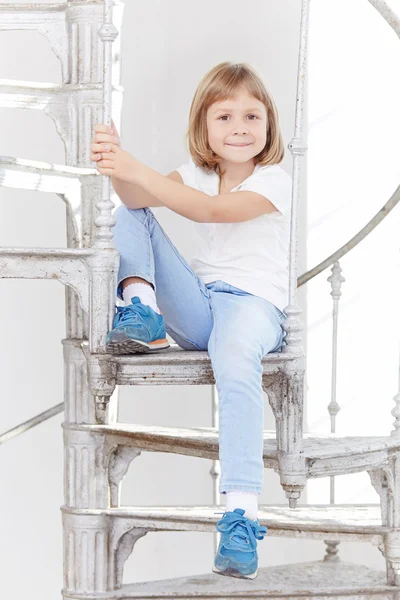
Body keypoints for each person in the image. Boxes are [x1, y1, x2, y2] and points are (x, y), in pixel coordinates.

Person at [90, 61, 292, 580]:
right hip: (203, 307)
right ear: (204, 127)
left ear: (268, 124)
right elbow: (138, 199)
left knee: (235, 364)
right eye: (224, 117)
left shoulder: (275, 179)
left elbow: (211, 213)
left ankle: (240, 513)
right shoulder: (196, 173)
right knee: (128, 213)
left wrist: (142, 173)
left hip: (253, 306)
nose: (240, 128)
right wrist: (118, 165)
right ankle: (142, 308)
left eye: (252, 115)